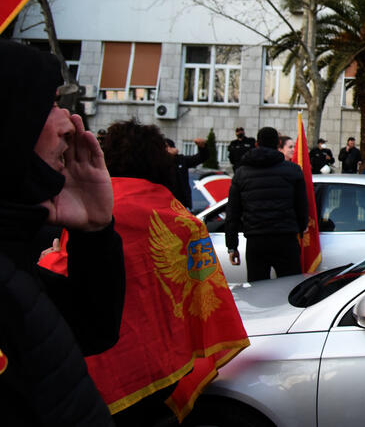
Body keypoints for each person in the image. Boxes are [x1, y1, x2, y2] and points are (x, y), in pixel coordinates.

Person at [44, 119, 248, 425]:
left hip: (110, 364)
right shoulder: (183, 218)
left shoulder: (89, 209)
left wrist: (46, 261)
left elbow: (69, 286)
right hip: (168, 362)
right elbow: (203, 293)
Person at [0, 40, 125, 426]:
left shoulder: (11, 256)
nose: (69, 124)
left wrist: (95, 230)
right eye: (49, 104)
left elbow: (91, 331)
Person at [225, 127, 308, 282]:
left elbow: (232, 214)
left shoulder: (241, 173)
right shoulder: (293, 171)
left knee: (258, 291)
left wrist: (232, 246)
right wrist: (300, 229)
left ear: (257, 144)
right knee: (291, 291)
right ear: (277, 144)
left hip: (256, 241)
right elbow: (302, 206)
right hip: (286, 239)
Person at [165, 136, 210, 209]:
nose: (166, 150)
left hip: (181, 204)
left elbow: (201, 157)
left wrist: (203, 147)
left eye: (167, 147)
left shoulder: (181, 160)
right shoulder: (158, 163)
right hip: (165, 204)